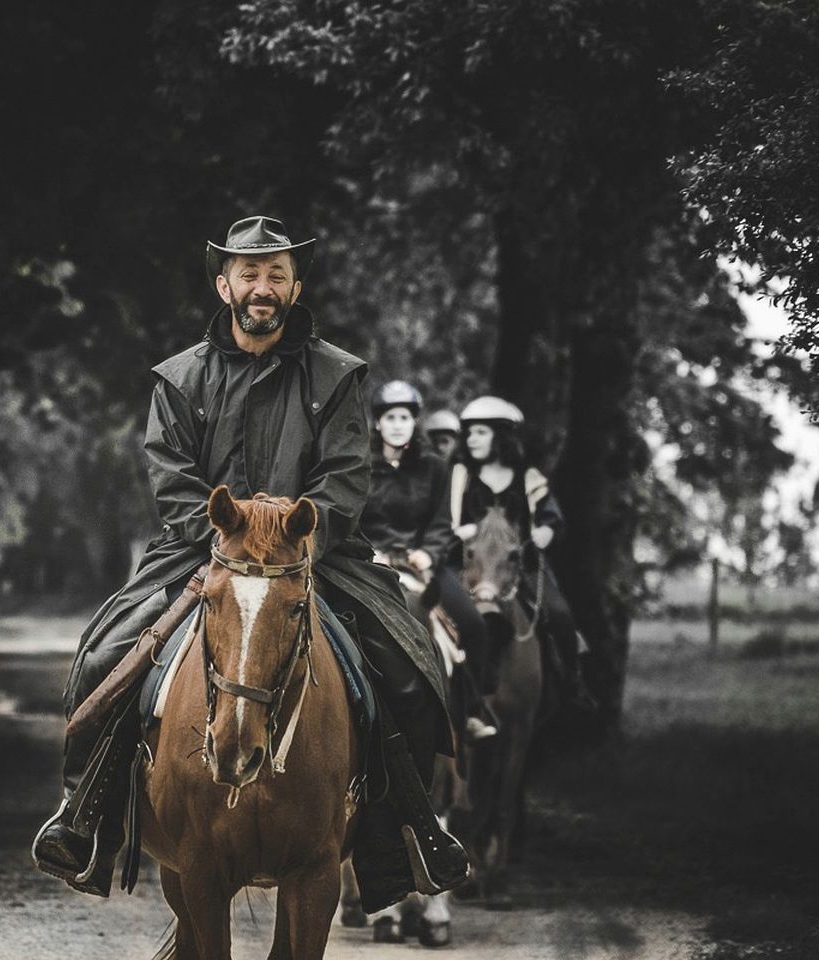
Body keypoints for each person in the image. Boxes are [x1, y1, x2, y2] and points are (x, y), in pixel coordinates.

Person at [31, 215, 468, 901]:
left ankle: (401, 836)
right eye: (249, 273)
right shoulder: (178, 379)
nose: (262, 287)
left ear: (296, 288)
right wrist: (221, 543)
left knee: (407, 670)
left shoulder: (339, 376)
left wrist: (299, 537)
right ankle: (85, 819)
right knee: (102, 655)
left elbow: (347, 475)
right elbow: (172, 478)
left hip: (313, 556)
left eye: (276, 275)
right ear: (223, 284)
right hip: (198, 554)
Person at [359, 380, 497, 742]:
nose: (398, 424)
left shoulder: (435, 467)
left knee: (473, 625)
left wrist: (429, 553)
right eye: (390, 417)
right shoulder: (359, 466)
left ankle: (469, 710)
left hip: (422, 565)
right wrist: (372, 553)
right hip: (371, 564)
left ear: (414, 422)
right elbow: (350, 519)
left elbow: (440, 522)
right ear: (378, 423)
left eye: (405, 417)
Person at [441, 396, 596, 712]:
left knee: (561, 613)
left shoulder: (529, 478)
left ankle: (572, 685)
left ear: (501, 435)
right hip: (469, 565)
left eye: (480, 432)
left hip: (520, 566)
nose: (471, 439)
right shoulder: (459, 476)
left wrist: (546, 530)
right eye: (469, 433)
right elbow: (441, 518)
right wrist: (457, 532)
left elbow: (551, 515)